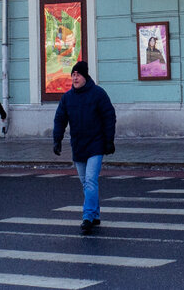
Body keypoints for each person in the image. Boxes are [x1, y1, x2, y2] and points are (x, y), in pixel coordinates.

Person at [53, 60, 116, 235]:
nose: (75, 77)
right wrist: (56, 140)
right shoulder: (67, 98)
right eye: (73, 75)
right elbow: (60, 119)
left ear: (85, 77)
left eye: (78, 74)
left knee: (90, 181)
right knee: (85, 183)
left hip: (96, 144)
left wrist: (109, 141)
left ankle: (87, 217)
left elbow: (109, 116)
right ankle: (95, 214)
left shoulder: (98, 94)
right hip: (78, 146)